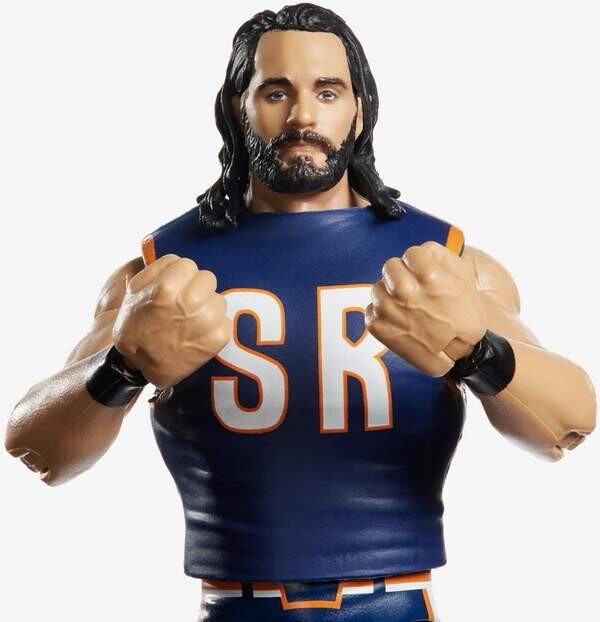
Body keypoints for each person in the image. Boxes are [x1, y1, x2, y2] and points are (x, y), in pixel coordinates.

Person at [5, 4, 596, 621]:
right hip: (234, 605)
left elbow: (567, 424)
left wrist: (478, 352)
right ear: (236, 107)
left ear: (359, 109)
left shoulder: (443, 264)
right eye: (276, 92)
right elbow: (38, 449)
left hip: (392, 603)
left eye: (327, 92)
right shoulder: (158, 273)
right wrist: (121, 369)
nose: (303, 116)